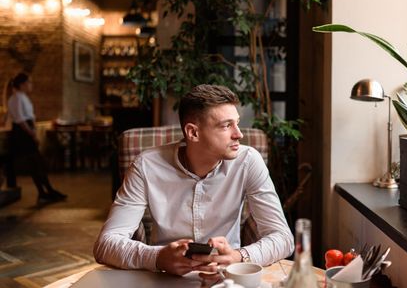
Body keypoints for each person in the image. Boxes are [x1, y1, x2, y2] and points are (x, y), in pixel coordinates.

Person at [94, 84, 293, 276]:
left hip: (227, 277)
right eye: (226, 126)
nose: (238, 134)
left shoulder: (248, 161)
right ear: (193, 132)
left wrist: (239, 256)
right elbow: (105, 244)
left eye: (237, 123)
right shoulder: (146, 166)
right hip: (164, 275)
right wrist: (158, 257)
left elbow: (283, 238)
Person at [7, 72, 67, 204]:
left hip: (26, 131)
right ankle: (46, 192)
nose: (31, 85)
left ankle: (45, 192)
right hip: (22, 133)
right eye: (29, 82)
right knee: (36, 163)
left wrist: (32, 130)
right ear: (22, 84)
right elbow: (20, 119)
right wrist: (31, 133)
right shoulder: (16, 98)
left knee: (35, 164)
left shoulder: (22, 97)